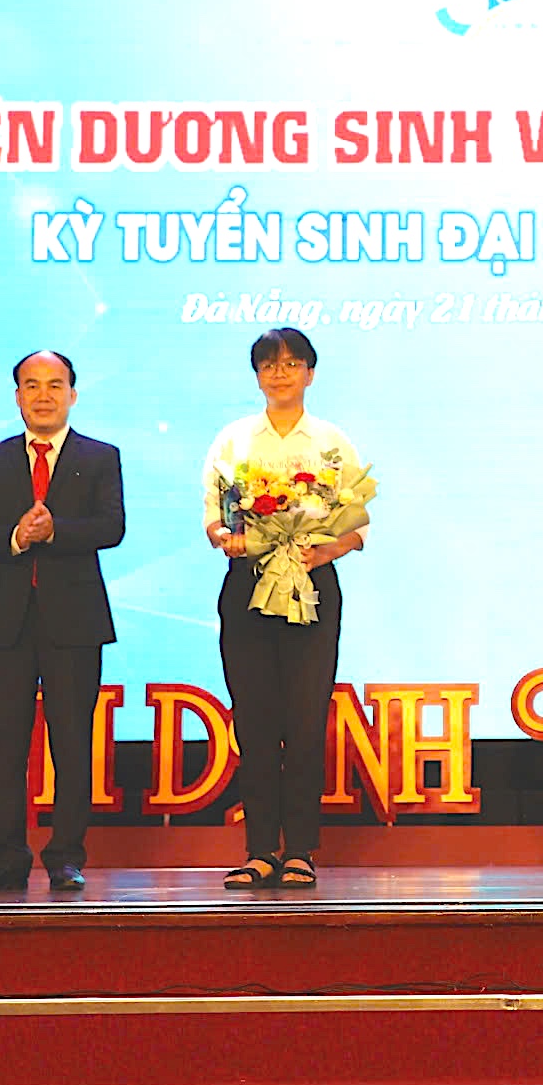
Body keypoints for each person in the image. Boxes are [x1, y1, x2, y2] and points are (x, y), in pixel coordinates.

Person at [201, 327, 368, 890]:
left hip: (313, 590)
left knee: (303, 720)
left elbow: (356, 525)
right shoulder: (233, 441)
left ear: (310, 373)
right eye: (269, 365)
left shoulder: (330, 442)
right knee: (253, 720)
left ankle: (299, 849)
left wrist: (328, 547)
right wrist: (228, 536)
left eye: (292, 364)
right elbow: (213, 518)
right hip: (247, 588)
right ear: (257, 376)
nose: (280, 374)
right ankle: (258, 850)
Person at [0, 351, 125, 892]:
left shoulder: (99, 457)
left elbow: (111, 526)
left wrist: (55, 532)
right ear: (17, 397)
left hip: (74, 621)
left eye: (55, 385)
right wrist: (14, 537)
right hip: (6, 620)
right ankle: (7, 855)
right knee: (6, 742)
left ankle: (66, 855)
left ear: (73, 394)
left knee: (71, 741)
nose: (44, 395)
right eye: (32, 385)